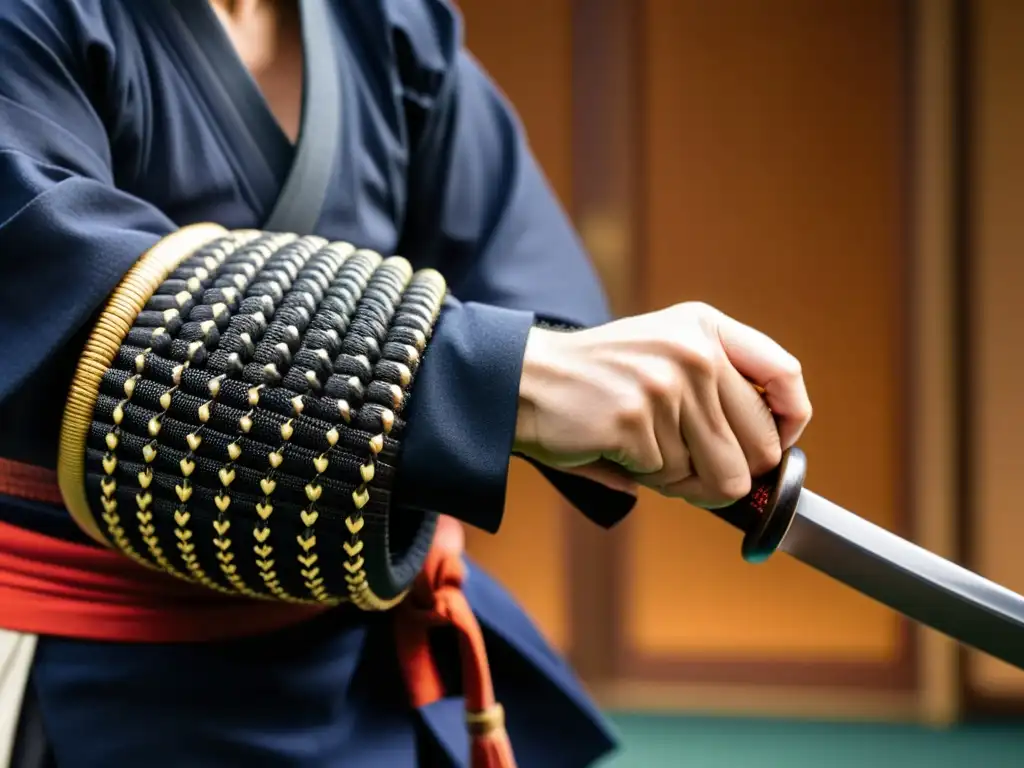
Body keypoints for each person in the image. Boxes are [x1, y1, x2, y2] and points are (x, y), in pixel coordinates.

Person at [0, 0, 812, 766]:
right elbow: (56, 285)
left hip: (353, 656)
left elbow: (528, 287)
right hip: (94, 669)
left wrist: (638, 397)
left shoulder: (388, 19)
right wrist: (504, 381)